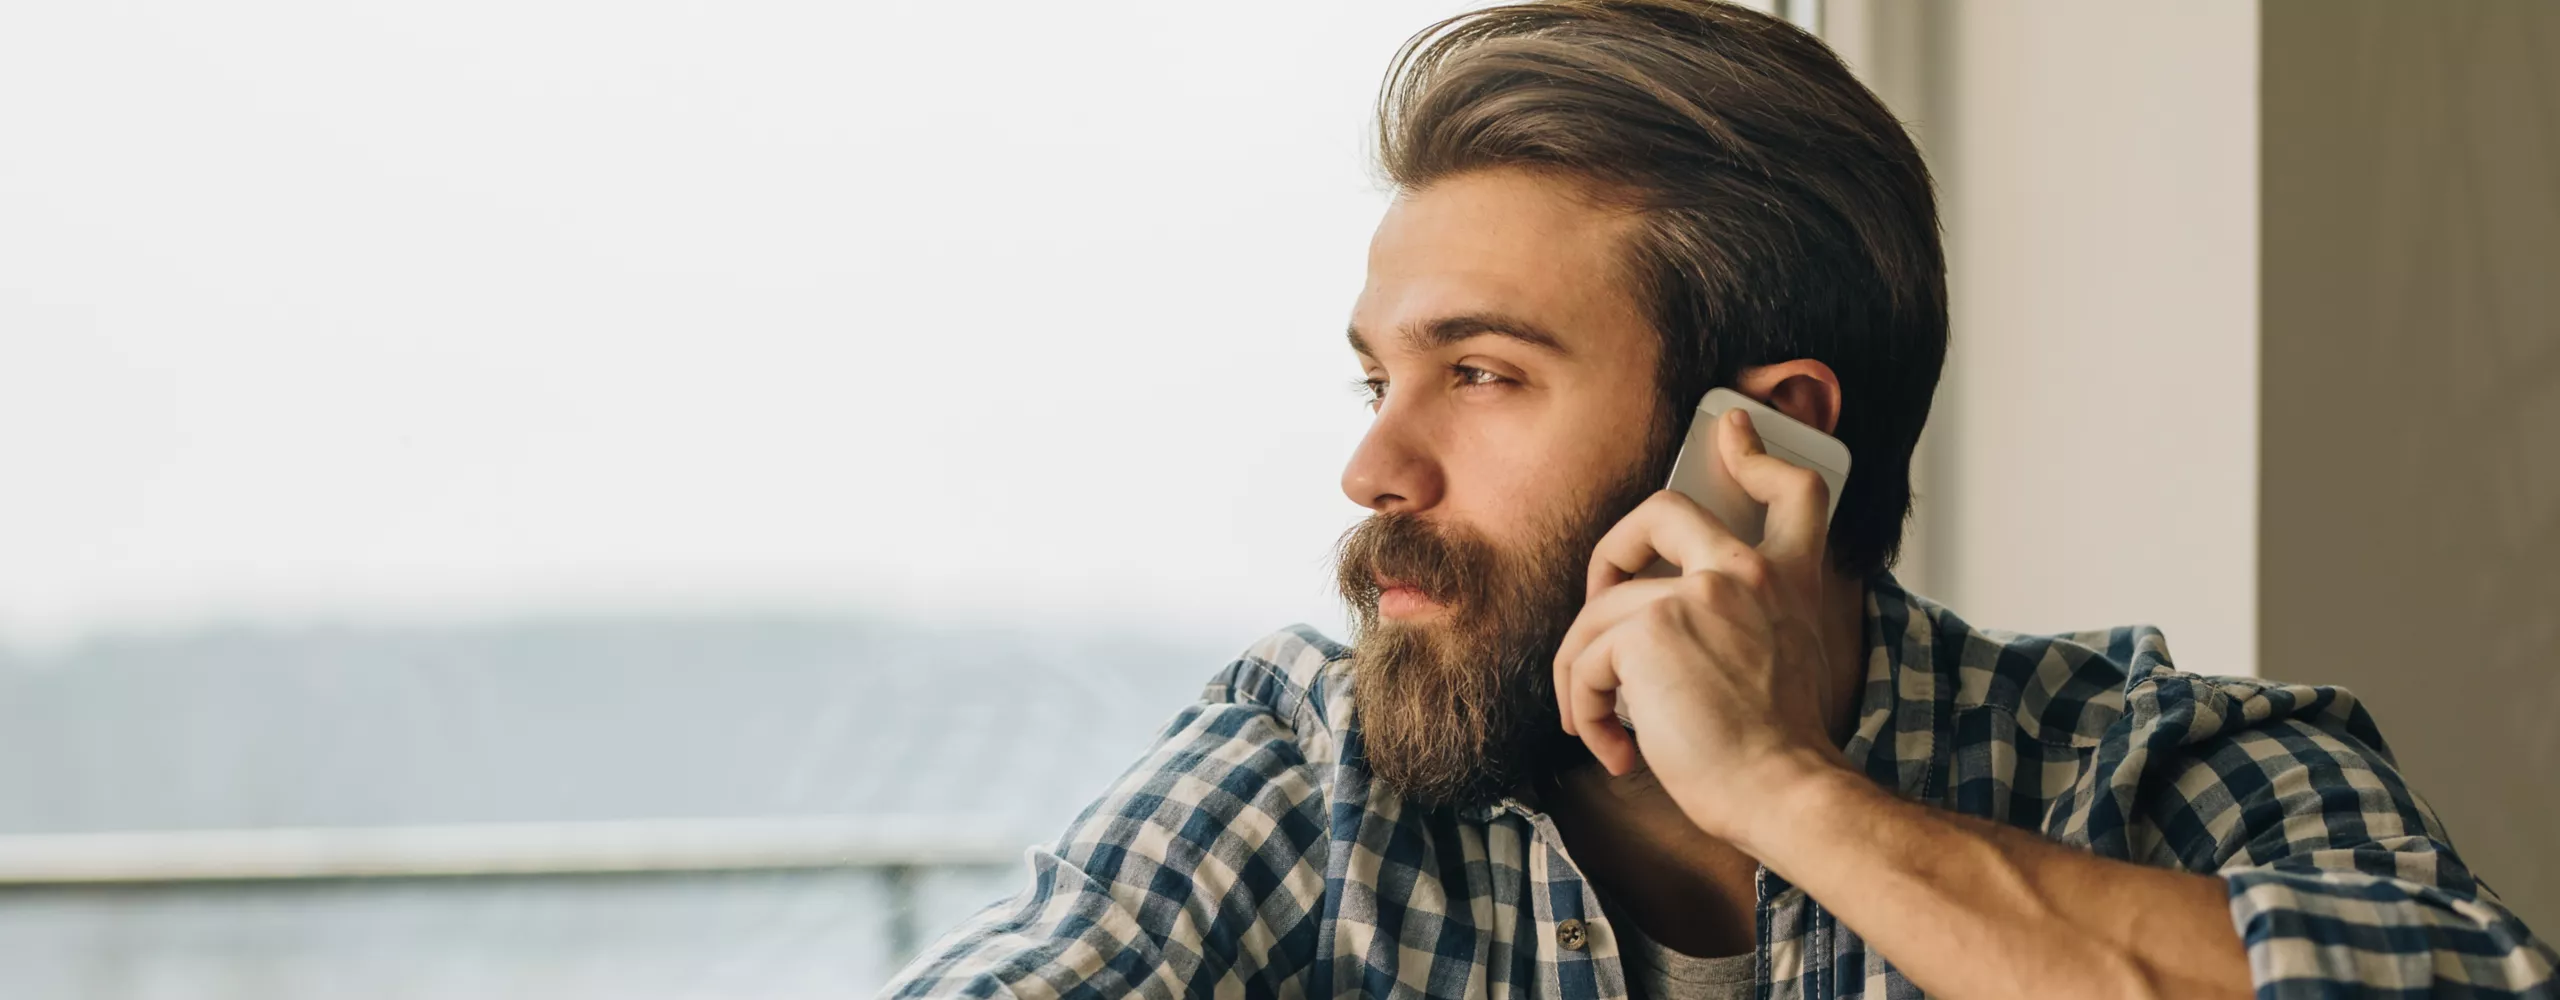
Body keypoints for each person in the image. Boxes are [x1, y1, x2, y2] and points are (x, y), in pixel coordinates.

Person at [883, 2, 2557, 997]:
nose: (1374, 469)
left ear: (1762, 448)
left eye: (1480, 374)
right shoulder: (1307, 767)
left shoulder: (2158, 764)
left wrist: (1779, 792)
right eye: (1375, 378)